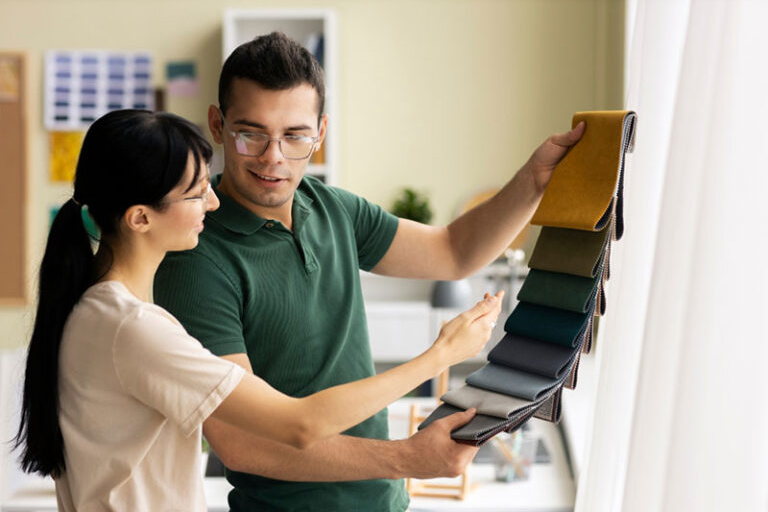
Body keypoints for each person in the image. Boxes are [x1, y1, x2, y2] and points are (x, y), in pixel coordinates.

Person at [154, 32, 585, 512]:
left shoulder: (333, 209)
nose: (273, 157)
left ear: (320, 132)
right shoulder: (194, 256)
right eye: (251, 133)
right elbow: (241, 443)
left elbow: (454, 250)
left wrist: (533, 181)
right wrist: (404, 457)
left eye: (294, 136)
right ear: (217, 124)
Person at [13, 109, 502, 512]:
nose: (211, 201)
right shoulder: (135, 330)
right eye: (195, 192)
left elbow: (454, 249)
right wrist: (440, 356)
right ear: (140, 218)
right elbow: (298, 423)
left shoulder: (96, 310)